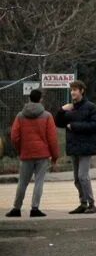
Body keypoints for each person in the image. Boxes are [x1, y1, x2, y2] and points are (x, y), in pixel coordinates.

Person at [6, 89, 59, 218]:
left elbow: (14, 137)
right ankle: (35, 208)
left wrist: (20, 149)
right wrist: (55, 156)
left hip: (26, 153)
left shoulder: (20, 115)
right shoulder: (47, 116)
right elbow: (52, 138)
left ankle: (16, 208)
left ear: (29, 98)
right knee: (39, 182)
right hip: (42, 154)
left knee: (22, 182)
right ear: (40, 99)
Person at [55, 80, 96, 214]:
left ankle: (92, 204)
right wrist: (62, 110)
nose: (73, 92)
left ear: (82, 91)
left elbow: (94, 126)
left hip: (86, 147)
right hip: (74, 146)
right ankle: (83, 203)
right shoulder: (70, 108)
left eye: (75, 90)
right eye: (72, 90)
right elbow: (58, 122)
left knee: (83, 176)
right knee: (77, 178)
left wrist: (74, 126)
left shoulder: (90, 107)